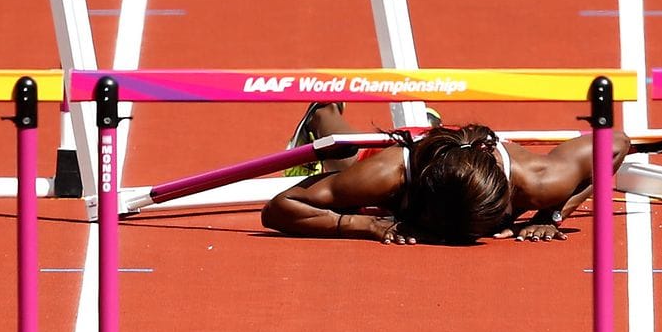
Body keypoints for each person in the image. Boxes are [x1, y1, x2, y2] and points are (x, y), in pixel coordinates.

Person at [261, 102, 631, 245]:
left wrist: (551, 215)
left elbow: (616, 143)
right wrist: (368, 226)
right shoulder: (389, 174)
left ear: (508, 196)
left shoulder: (538, 181)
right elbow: (280, 207)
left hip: (448, 158)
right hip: (405, 162)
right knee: (347, 165)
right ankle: (323, 113)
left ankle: (428, 122)